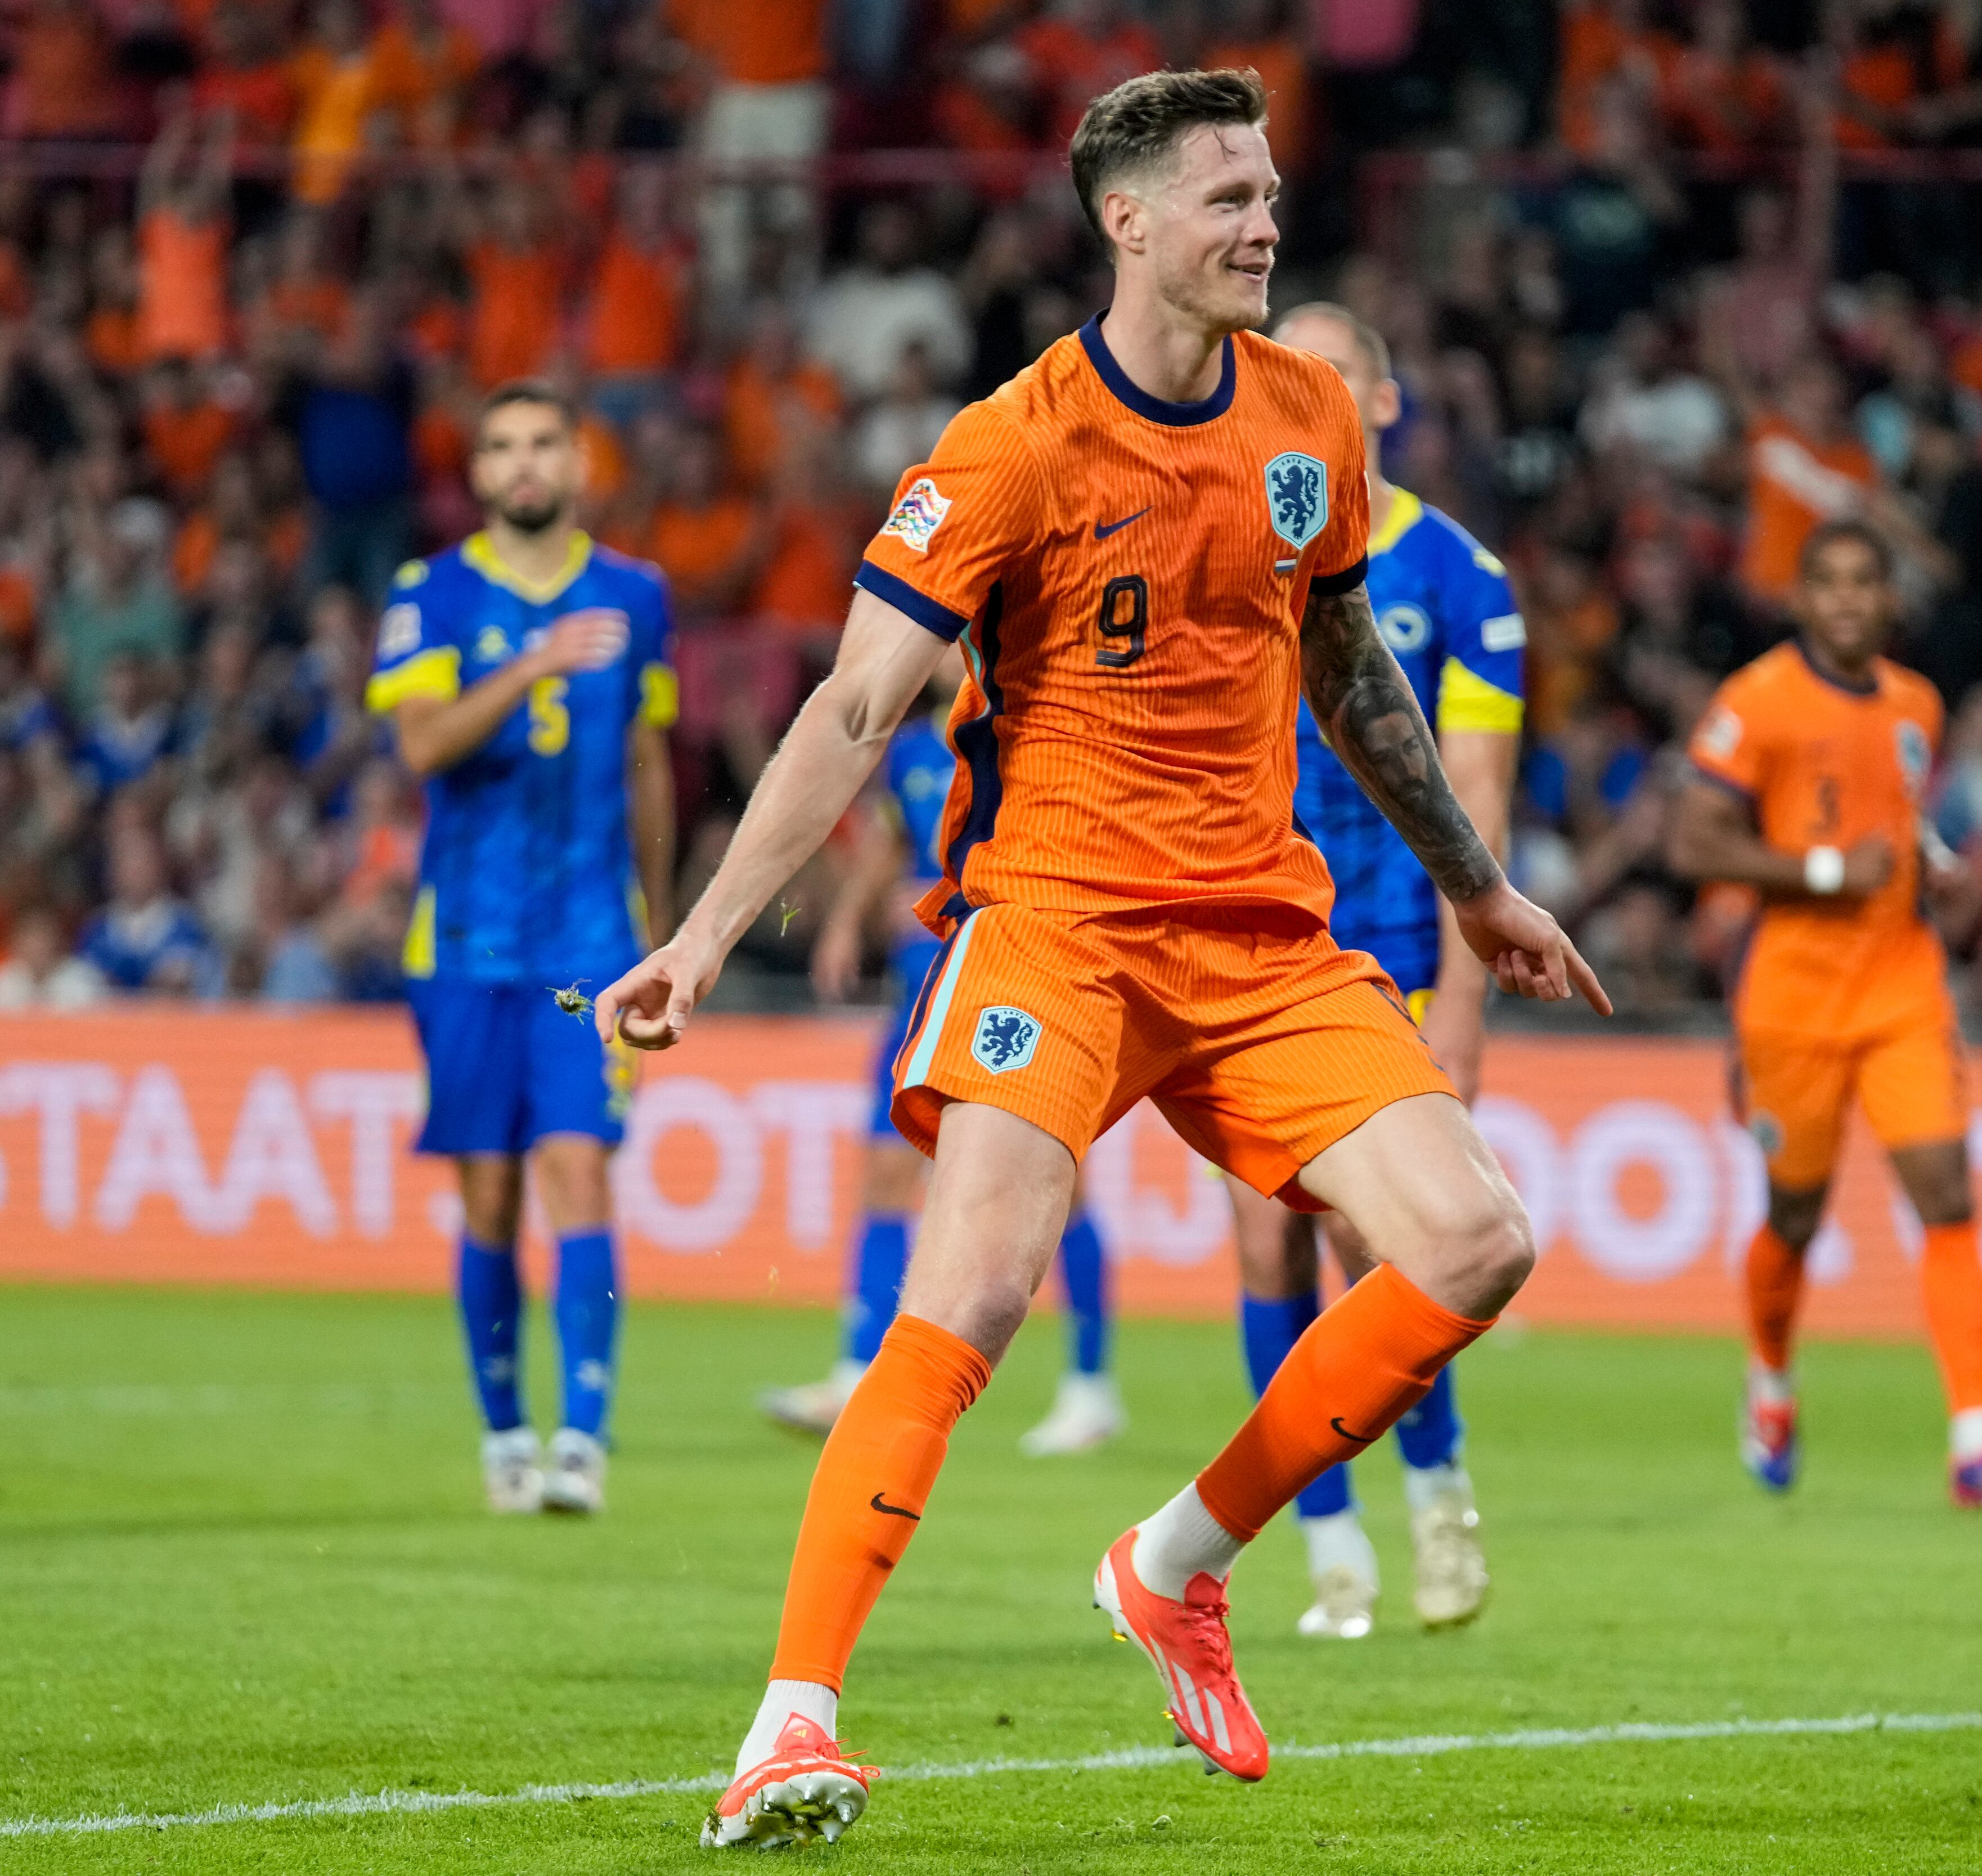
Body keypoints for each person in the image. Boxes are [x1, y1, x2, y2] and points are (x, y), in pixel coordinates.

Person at [594, 69, 1605, 1850]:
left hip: (1261, 930)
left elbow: (1351, 666)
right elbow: (853, 707)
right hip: (1055, 916)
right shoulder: (1011, 446)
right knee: (975, 1284)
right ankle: (791, 1718)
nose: (1265, 223)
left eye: (1273, 191)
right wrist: (698, 938)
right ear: (1127, 222)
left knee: (1476, 1237)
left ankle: (1172, 1561)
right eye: (1227, 197)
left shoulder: (1309, 414)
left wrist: (1477, 886)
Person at [1219, 299, 1522, 1641]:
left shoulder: (1463, 577)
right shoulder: (1226, 537)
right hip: (1248, 935)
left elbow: (1478, 793)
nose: (1309, 395)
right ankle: (1326, 1544)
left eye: (1336, 377)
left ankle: (1436, 1490)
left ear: (1384, 405)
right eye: (1291, 375)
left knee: (1371, 1237)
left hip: (1392, 951)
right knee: (1260, 1236)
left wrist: (1463, 1008)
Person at [1668, 518, 1982, 1508]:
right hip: (1791, 993)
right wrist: (1827, 871)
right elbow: (1694, 844)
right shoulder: (1756, 702)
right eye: (1826, 582)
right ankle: (1773, 1376)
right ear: (1801, 599)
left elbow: (1897, 822)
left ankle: (1977, 1442)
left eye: (1863, 583)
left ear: (1887, 600)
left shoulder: (1918, 704)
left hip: (1901, 986)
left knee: (1949, 1194)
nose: (1845, 600)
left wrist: (1942, 876)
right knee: (1795, 1213)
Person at [367, 381, 679, 1519]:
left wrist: (671, 923)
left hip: (591, 942)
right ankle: (503, 1429)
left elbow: (649, 759)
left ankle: (581, 1439)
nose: (525, 462)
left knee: (578, 1165)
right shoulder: (432, 593)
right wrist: (533, 664)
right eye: (501, 445)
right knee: (490, 1197)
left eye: (544, 441)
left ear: (579, 461)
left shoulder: (638, 594)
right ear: (480, 472)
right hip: (463, 942)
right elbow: (422, 744)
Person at [766, 668, 1125, 1452]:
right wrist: (847, 921)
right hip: (915, 990)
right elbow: (891, 841)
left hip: (1014, 985)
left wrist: (946, 895)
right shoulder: (915, 750)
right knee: (886, 1173)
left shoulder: (1031, 728)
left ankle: (1091, 1384)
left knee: (1062, 1186)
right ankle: (858, 1365)